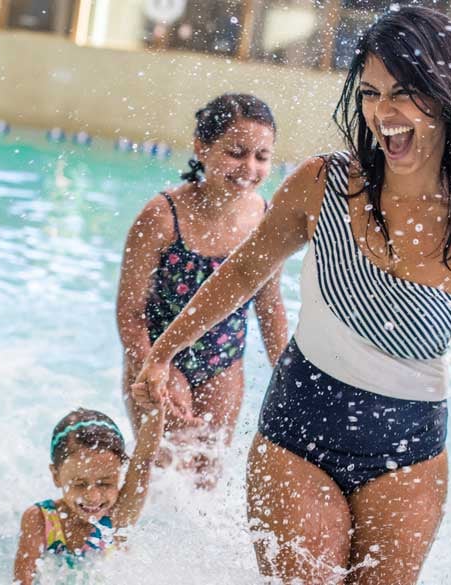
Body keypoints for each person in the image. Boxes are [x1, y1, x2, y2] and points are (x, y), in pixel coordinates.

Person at [132, 7, 451, 583]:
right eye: (370, 93)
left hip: (408, 451)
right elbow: (243, 275)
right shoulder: (324, 184)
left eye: (403, 93)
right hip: (299, 430)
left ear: (444, 94)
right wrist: (162, 351)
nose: (383, 114)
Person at [116, 94, 287, 484]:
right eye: (236, 152)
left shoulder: (264, 219)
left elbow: (269, 304)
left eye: (261, 156)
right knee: (163, 474)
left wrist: (287, 377)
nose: (249, 167)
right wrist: (151, 368)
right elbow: (130, 311)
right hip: (156, 354)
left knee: (206, 479)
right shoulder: (161, 218)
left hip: (222, 359)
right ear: (202, 147)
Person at [13, 405, 165, 585]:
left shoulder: (118, 516)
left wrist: (156, 409)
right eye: (79, 484)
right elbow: (22, 581)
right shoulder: (40, 519)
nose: (92, 497)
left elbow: (144, 462)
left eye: (105, 483)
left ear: (120, 474)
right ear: (56, 476)